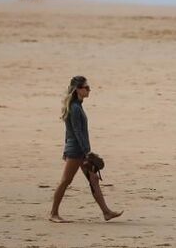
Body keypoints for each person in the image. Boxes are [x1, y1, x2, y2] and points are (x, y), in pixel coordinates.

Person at [49, 76, 123, 222]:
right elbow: (77, 132)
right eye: (86, 87)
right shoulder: (75, 108)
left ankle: (106, 212)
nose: (89, 90)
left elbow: (70, 131)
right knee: (65, 181)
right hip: (77, 150)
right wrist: (86, 152)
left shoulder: (77, 105)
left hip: (79, 149)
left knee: (94, 179)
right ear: (78, 89)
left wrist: (84, 150)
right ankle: (53, 214)